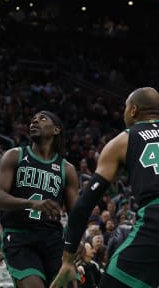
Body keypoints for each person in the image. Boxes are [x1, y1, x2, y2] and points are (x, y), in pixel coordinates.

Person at [50, 87, 159, 288]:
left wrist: (67, 260)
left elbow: (84, 204)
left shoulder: (124, 140)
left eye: (125, 107)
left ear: (133, 110)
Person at [0, 111, 79, 288]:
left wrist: (74, 246)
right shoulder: (15, 156)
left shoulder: (66, 169)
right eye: (33, 120)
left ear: (56, 129)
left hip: (53, 240)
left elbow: (76, 215)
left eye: (42, 118)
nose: (35, 121)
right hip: (19, 238)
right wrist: (31, 203)